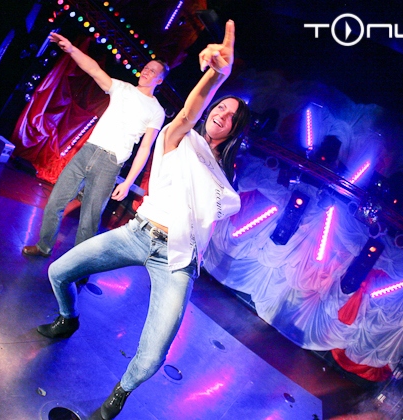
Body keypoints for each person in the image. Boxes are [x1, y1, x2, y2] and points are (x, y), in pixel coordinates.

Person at [36, 20, 249, 419]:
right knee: (58, 272)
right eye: (220, 106)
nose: (221, 114)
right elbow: (190, 111)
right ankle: (68, 318)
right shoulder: (180, 136)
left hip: (178, 261)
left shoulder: (225, 180)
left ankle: (120, 393)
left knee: (153, 356)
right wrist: (215, 78)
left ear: (236, 130)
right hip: (137, 233)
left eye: (231, 116)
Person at [21, 32, 168, 258]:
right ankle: (43, 246)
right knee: (55, 202)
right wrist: (71, 49)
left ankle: (78, 265)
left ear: (159, 80)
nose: (146, 71)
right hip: (87, 152)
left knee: (89, 220)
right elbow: (94, 70)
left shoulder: (156, 111)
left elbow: (145, 148)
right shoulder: (122, 88)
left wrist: (128, 182)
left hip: (110, 163)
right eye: (146, 67)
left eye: (153, 71)